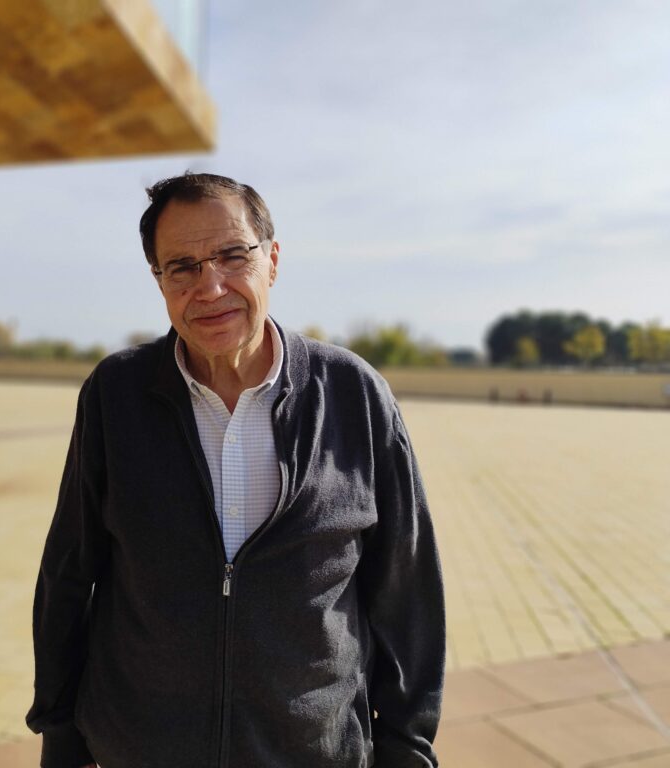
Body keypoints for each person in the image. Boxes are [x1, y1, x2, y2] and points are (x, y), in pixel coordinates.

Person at [26, 172, 445, 768]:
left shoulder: (354, 394)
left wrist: (407, 748)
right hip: (140, 749)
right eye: (183, 267)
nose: (211, 286)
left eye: (232, 256)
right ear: (159, 281)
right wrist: (60, 734)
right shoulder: (115, 395)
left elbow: (408, 590)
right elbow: (68, 571)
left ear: (272, 260)